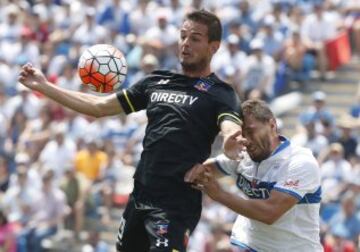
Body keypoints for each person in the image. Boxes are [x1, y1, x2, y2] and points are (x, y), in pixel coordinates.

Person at [18, 10, 244, 252]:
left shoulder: (220, 92)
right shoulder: (157, 80)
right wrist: (43, 86)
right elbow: (99, 107)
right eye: (183, 36)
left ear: (214, 46)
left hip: (175, 203)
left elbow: (230, 126)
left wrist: (231, 137)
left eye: (195, 38)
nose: (186, 43)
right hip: (140, 196)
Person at [185, 99, 323, 252]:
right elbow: (199, 171)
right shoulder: (243, 156)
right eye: (241, 134)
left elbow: (269, 212)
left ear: (272, 125)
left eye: (251, 131)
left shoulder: (300, 162)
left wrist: (219, 194)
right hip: (250, 246)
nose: (246, 140)